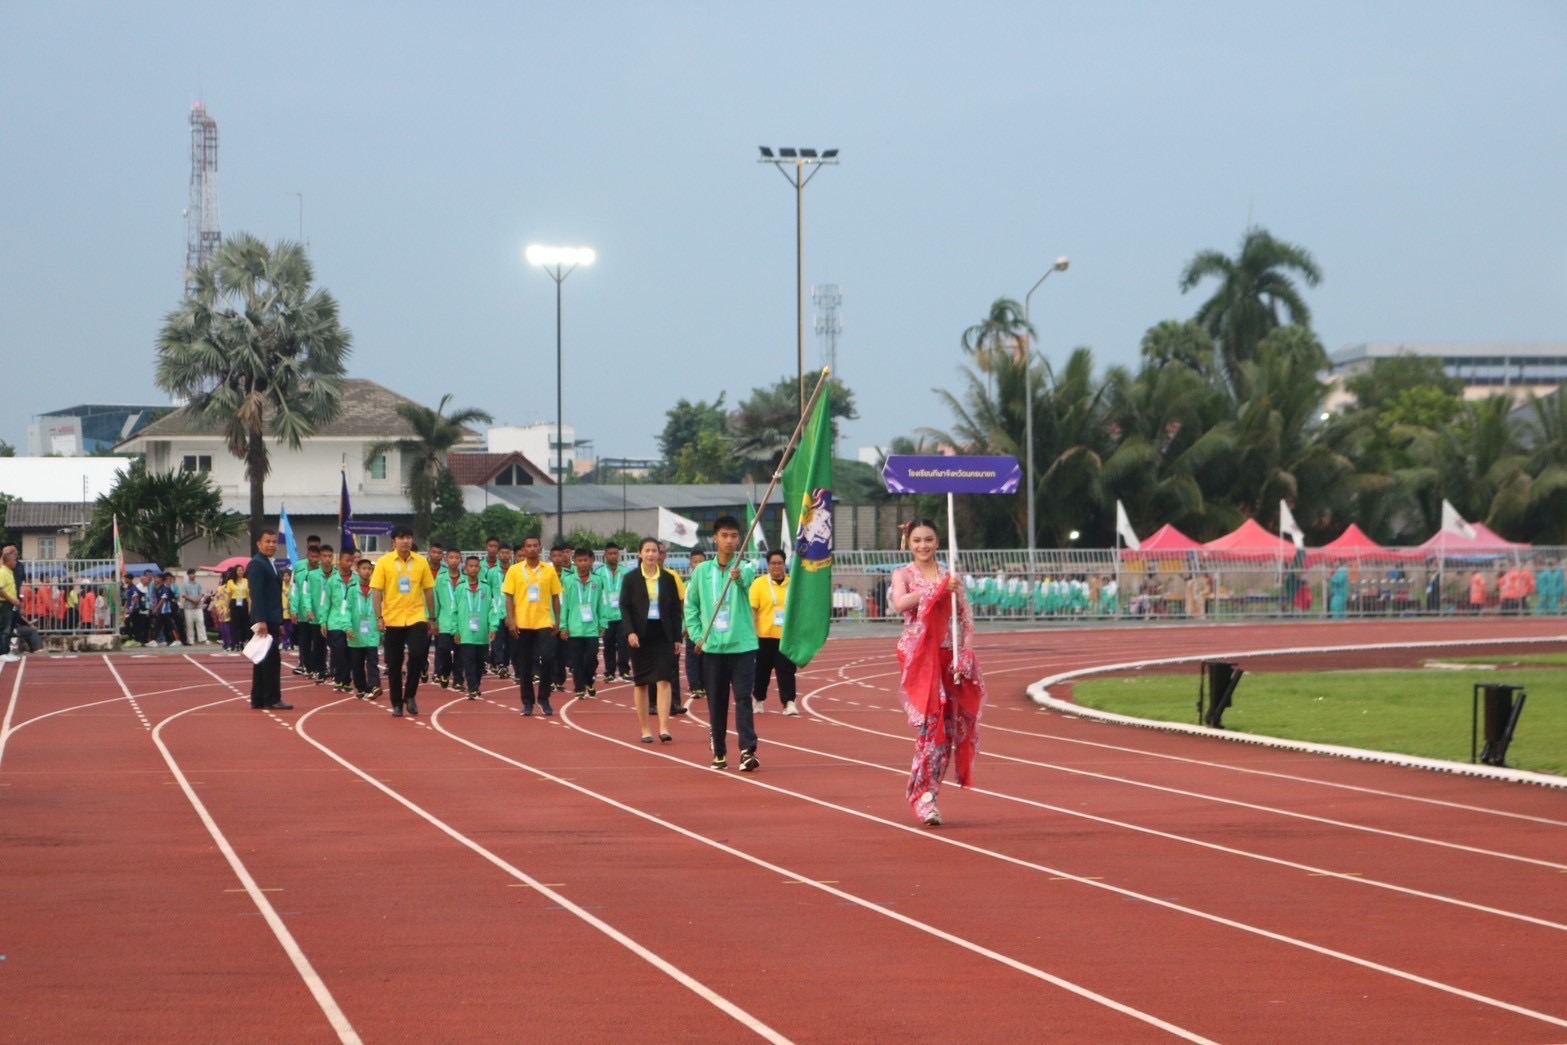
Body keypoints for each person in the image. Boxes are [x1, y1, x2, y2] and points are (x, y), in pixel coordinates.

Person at [888, 518, 985, 827]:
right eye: (917, 540)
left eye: (928, 539)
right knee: (932, 728)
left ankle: (926, 792)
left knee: (948, 732)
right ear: (908, 543)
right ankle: (923, 797)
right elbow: (900, 604)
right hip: (920, 659)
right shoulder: (903, 575)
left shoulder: (951, 576)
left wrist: (965, 652)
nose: (923, 545)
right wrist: (936, 590)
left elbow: (967, 619)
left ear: (938, 542)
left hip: (948, 657)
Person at [684, 515, 760, 772]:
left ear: (740, 540)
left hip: (742, 647)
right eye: (724, 536)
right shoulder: (702, 572)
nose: (729, 541)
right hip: (713, 649)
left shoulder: (747, 567)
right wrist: (698, 636)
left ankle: (747, 750)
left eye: (734, 536)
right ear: (715, 539)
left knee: (743, 698)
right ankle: (719, 751)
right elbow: (691, 606)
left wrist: (738, 577)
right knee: (716, 701)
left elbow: (747, 581)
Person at [369, 526, 437, 717]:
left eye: (408, 537)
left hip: (416, 616)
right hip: (393, 618)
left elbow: (428, 590)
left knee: (417, 654)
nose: (405, 541)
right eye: (401, 538)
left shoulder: (421, 562)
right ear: (394, 542)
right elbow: (376, 591)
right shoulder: (384, 562)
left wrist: (432, 617)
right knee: (394, 663)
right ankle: (397, 703)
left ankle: (410, 695)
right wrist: (379, 617)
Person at [620, 537, 681, 743]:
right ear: (640, 553)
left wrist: (677, 637)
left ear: (659, 554)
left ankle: (664, 727)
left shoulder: (668, 578)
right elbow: (624, 607)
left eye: (654, 550)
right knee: (641, 682)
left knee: (664, 679)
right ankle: (645, 729)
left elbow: (675, 609)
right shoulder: (631, 579)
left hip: (663, 634)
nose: (651, 554)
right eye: (647, 550)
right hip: (640, 635)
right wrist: (630, 632)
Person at [502, 536, 562, 716]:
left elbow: (555, 596)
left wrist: (558, 620)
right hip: (523, 623)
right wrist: (511, 620)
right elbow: (509, 597)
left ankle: (544, 698)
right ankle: (528, 702)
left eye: (535, 546)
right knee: (525, 664)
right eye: (529, 546)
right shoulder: (514, 570)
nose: (532, 549)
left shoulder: (549, 570)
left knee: (548, 658)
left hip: (544, 622)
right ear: (524, 549)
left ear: (541, 548)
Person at [750, 549, 799, 716]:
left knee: (787, 671)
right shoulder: (759, 584)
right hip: (764, 637)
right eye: (773, 563)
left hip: (786, 637)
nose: (776, 566)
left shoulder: (793, 585)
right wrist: (752, 632)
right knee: (761, 672)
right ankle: (758, 700)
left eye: (779, 563)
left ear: (785, 564)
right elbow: (753, 609)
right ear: (768, 565)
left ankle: (789, 702)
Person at [443, 556, 499, 700]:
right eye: (471, 566)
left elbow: (492, 610)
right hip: (466, 633)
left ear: (479, 569)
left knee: (480, 662)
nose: (473, 569)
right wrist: (455, 630)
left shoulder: (486, 588)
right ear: (466, 569)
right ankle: (473, 688)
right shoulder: (460, 588)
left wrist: (493, 627)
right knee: (469, 662)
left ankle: (476, 685)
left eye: (476, 566)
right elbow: (454, 611)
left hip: (482, 634)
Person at [248, 529, 291, 711]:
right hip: (265, 619)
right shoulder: (257, 564)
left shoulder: (269, 563)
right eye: (268, 541)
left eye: (274, 542)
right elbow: (256, 594)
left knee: (262, 660)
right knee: (271, 661)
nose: (272, 545)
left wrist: (278, 622)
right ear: (259, 544)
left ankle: (258, 698)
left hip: (272, 619)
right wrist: (261, 620)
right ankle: (272, 699)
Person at [559, 546, 608, 700]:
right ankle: (579, 687)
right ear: (575, 561)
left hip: (592, 628)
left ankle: (589, 680)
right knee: (577, 660)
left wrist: (603, 624)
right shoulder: (568, 581)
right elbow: (564, 605)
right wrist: (563, 626)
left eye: (585, 560)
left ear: (591, 561)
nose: (583, 563)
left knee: (591, 658)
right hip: (574, 628)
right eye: (579, 560)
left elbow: (602, 604)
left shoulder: (598, 581)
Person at [596, 541, 633, 684]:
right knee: (608, 645)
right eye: (610, 554)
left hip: (623, 615)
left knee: (624, 644)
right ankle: (610, 672)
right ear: (605, 555)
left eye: (615, 553)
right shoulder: (599, 573)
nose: (613, 556)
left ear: (619, 555)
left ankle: (624, 670)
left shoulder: (626, 572)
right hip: (606, 616)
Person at [347, 557, 383, 699]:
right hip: (356, 632)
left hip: (372, 630)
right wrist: (347, 627)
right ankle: (361, 687)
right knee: (357, 663)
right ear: (357, 570)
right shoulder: (351, 590)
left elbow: (383, 607)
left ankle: (374, 686)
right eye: (364, 568)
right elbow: (346, 610)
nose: (367, 571)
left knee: (373, 660)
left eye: (369, 569)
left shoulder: (377, 590)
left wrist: (382, 624)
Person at [322, 551, 358, 692]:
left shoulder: (357, 579)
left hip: (351, 622)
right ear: (340, 561)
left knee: (350, 652)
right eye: (347, 560)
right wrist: (323, 622)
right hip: (335, 621)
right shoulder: (332, 581)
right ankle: (338, 678)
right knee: (338, 650)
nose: (349, 563)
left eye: (351, 561)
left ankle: (347, 680)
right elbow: (325, 602)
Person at [430, 549, 465, 687]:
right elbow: (436, 601)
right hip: (445, 621)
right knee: (444, 649)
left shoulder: (465, 580)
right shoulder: (440, 579)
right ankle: (445, 672)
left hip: (461, 623)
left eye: (457, 558)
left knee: (460, 653)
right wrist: (433, 620)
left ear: (461, 560)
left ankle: (458, 680)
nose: (454, 560)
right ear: (446, 560)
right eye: (451, 557)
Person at [291, 543, 325, 679]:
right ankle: (307, 666)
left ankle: (319, 667)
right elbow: (295, 590)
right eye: (312, 556)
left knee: (319, 643)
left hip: (319, 614)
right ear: (307, 555)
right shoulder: (299, 568)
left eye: (317, 557)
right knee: (305, 641)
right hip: (303, 613)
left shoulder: (324, 570)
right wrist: (294, 609)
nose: (315, 559)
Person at [482, 538, 514, 678]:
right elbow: (488, 590)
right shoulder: (492, 572)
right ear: (498, 554)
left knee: (510, 642)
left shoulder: (515, 571)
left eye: (507, 553)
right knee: (497, 641)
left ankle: (504, 664)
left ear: (511, 555)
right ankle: (500, 664)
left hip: (511, 612)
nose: (505, 555)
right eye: (502, 553)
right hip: (496, 612)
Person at [681, 548, 707, 704]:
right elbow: (684, 608)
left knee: (707, 656)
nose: (698, 564)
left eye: (701, 562)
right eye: (695, 562)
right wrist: (685, 626)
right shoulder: (686, 585)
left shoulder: (710, 584)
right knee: (692, 656)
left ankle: (706, 684)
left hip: (708, 627)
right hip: (693, 627)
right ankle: (695, 686)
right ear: (691, 564)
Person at [546, 543, 571, 695]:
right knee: (550, 651)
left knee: (562, 652)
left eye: (560, 555)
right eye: (554, 556)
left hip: (565, 617)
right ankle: (550, 679)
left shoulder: (569, 575)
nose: (557, 558)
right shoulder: (546, 574)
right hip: (549, 617)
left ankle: (560, 680)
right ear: (550, 558)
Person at [0, 546, 20, 663]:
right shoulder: (2, 572)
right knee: (4, 628)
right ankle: (2, 652)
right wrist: (12, 600)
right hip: (4, 604)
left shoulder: (9, 572)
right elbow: (0, 589)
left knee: (9, 628)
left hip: (10, 604)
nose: (15, 562)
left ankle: (6, 651)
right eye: (13, 560)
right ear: (7, 561)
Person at [225, 564, 251, 654]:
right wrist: (227, 608)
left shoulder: (246, 581)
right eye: (239, 570)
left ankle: (242, 641)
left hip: (244, 603)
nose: (240, 572)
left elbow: (249, 596)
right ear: (235, 572)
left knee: (244, 624)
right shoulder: (231, 582)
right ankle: (236, 642)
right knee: (235, 625)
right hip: (234, 603)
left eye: (242, 570)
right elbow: (228, 596)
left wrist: (250, 607)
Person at [179, 569, 208, 645]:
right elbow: (184, 595)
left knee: (200, 622)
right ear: (188, 575)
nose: (193, 575)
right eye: (191, 574)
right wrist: (193, 600)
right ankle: (190, 639)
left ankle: (202, 639)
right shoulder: (185, 585)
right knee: (189, 623)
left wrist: (197, 601)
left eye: (194, 574)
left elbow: (202, 593)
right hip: (188, 607)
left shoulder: (199, 584)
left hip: (198, 606)